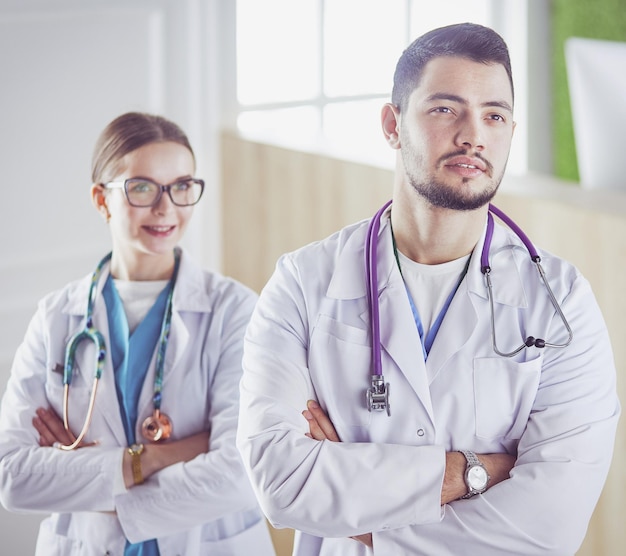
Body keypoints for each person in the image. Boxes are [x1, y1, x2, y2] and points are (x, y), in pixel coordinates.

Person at [236, 23, 621, 556]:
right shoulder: (303, 284)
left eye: (494, 115)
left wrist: (366, 519)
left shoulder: (561, 301)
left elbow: (549, 527)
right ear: (392, 125)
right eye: (445, 109)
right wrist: (474, 473)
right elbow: (280, 483)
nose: (473, 135)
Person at [0, 112, 275, 556]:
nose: (166, 207)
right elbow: (13, 477)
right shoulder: (56, 317)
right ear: (100, 199)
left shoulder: (235, 310)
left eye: (182, 186)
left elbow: (240, 475)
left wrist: (86, 480)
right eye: (142, 187)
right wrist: (155, 457)